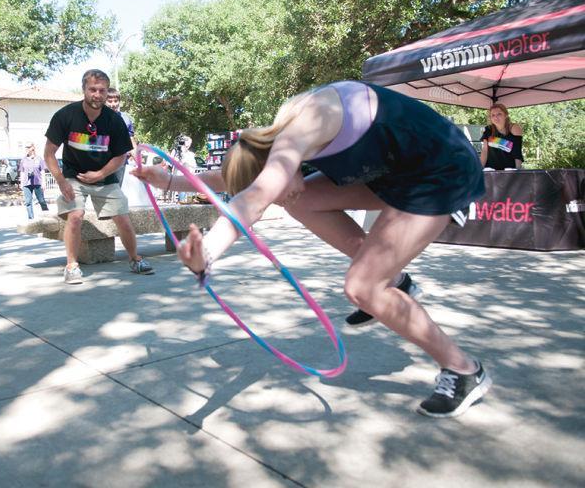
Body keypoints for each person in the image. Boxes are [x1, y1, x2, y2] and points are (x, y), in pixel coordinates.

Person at [133, 81, 491, 418]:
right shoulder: (271, 142)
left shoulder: (302, 129)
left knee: (362, 288)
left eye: (275, 183)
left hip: (441, 170)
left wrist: (207, 253)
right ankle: (394, 280)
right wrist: (165, 179)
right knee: (301, 201)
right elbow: (235, 181)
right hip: (397, 172)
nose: (277, 195)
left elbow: (255, 200)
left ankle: (464, 369)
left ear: (275, 166)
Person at [43, 69, 154, 284]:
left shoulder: (114, 120)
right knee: (76, 215)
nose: (97, 94)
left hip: (105, 177)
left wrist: (100, 174)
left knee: (122, 216)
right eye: (92, 89)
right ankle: (72, 266)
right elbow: (49, 153)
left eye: (102, 90)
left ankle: (135, 259)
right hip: (73, 177)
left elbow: (121, 156)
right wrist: (61, 181)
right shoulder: (66, 115)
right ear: (84, 89)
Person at [106, 87, 137, 187]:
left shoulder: (125, 119)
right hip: (103, 161)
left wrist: (138, 160)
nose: (113, 104)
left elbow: (131, 141)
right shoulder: (97, 117)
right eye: (109, 101)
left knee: (117, 190)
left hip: (120, 162)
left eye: (116, 101)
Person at [480, 103, 524, 170]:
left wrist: (517, 172)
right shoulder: (488, 130)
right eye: (493, 115)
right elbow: (484, 151)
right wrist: (479, 170)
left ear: (506, 115)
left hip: (509, 172)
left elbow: (517, 153)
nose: (495, 117)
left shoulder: (514, 128)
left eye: (499, 114)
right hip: (491, 171)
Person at [19, 142, 49, 219]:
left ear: (32, 148)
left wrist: (44, 183)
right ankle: (31, 218)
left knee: (41, 200)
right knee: (28, 202)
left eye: (28, 147)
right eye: (26, 147)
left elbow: (42, 171)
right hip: (26, 183)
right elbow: (22, 172)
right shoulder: (23, 160)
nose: (26, 149)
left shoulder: (39, 159)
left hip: (37, 182)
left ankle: (47, 216)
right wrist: (21, 183)